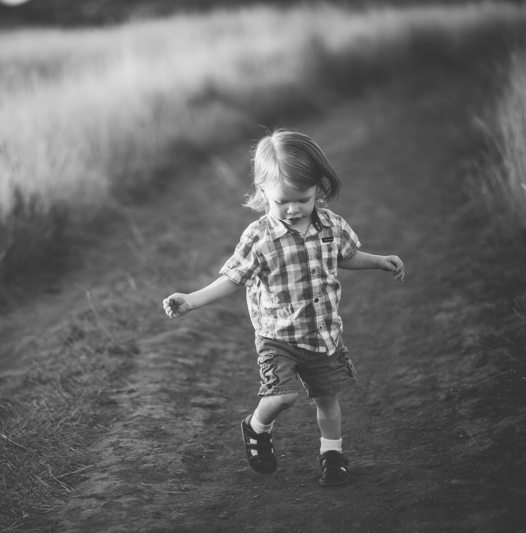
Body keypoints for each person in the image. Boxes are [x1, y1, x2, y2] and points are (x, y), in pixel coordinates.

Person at [162, 129, 404, 486]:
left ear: (318, 188)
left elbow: (345, 256)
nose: (293, 209)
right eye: (282, 202)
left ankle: (332, 455)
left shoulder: (331, 225)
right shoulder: (258, 238)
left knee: (328, 401)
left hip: (322, 335)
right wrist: (191, 300)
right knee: (283, 396)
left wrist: (379, 261)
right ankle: (256, 426)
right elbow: (232, 278)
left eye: (302, 199)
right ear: (263, 193)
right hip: (277, 337)